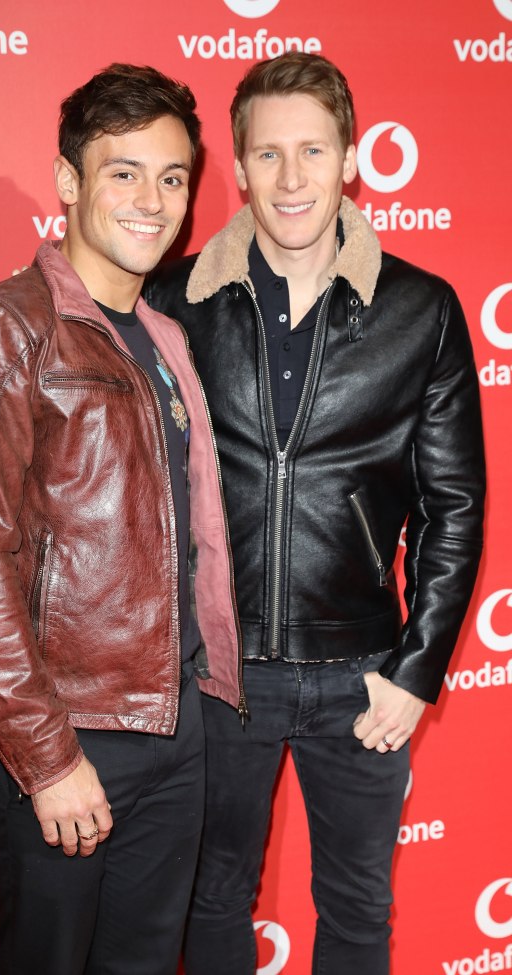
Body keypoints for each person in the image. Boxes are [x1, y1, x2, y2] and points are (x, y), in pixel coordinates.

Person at [145, 52, 485, 975]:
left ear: (351, 159)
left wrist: (416, 671)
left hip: (365, 676)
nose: (291, 178)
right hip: (219, 673)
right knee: (211, 898)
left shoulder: (422, 310)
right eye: (268, 154)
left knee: (358, 908)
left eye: (313, 151)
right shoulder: (175, 302)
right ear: (239, 168)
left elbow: (454, 507)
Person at [0, 63, 242, 975]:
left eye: (172, 177)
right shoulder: (4, 327)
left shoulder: (165, 338)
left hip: (173, 725)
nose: (153, 201)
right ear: (68, 180)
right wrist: (47, 756)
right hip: (67, 732)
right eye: (123, 172)